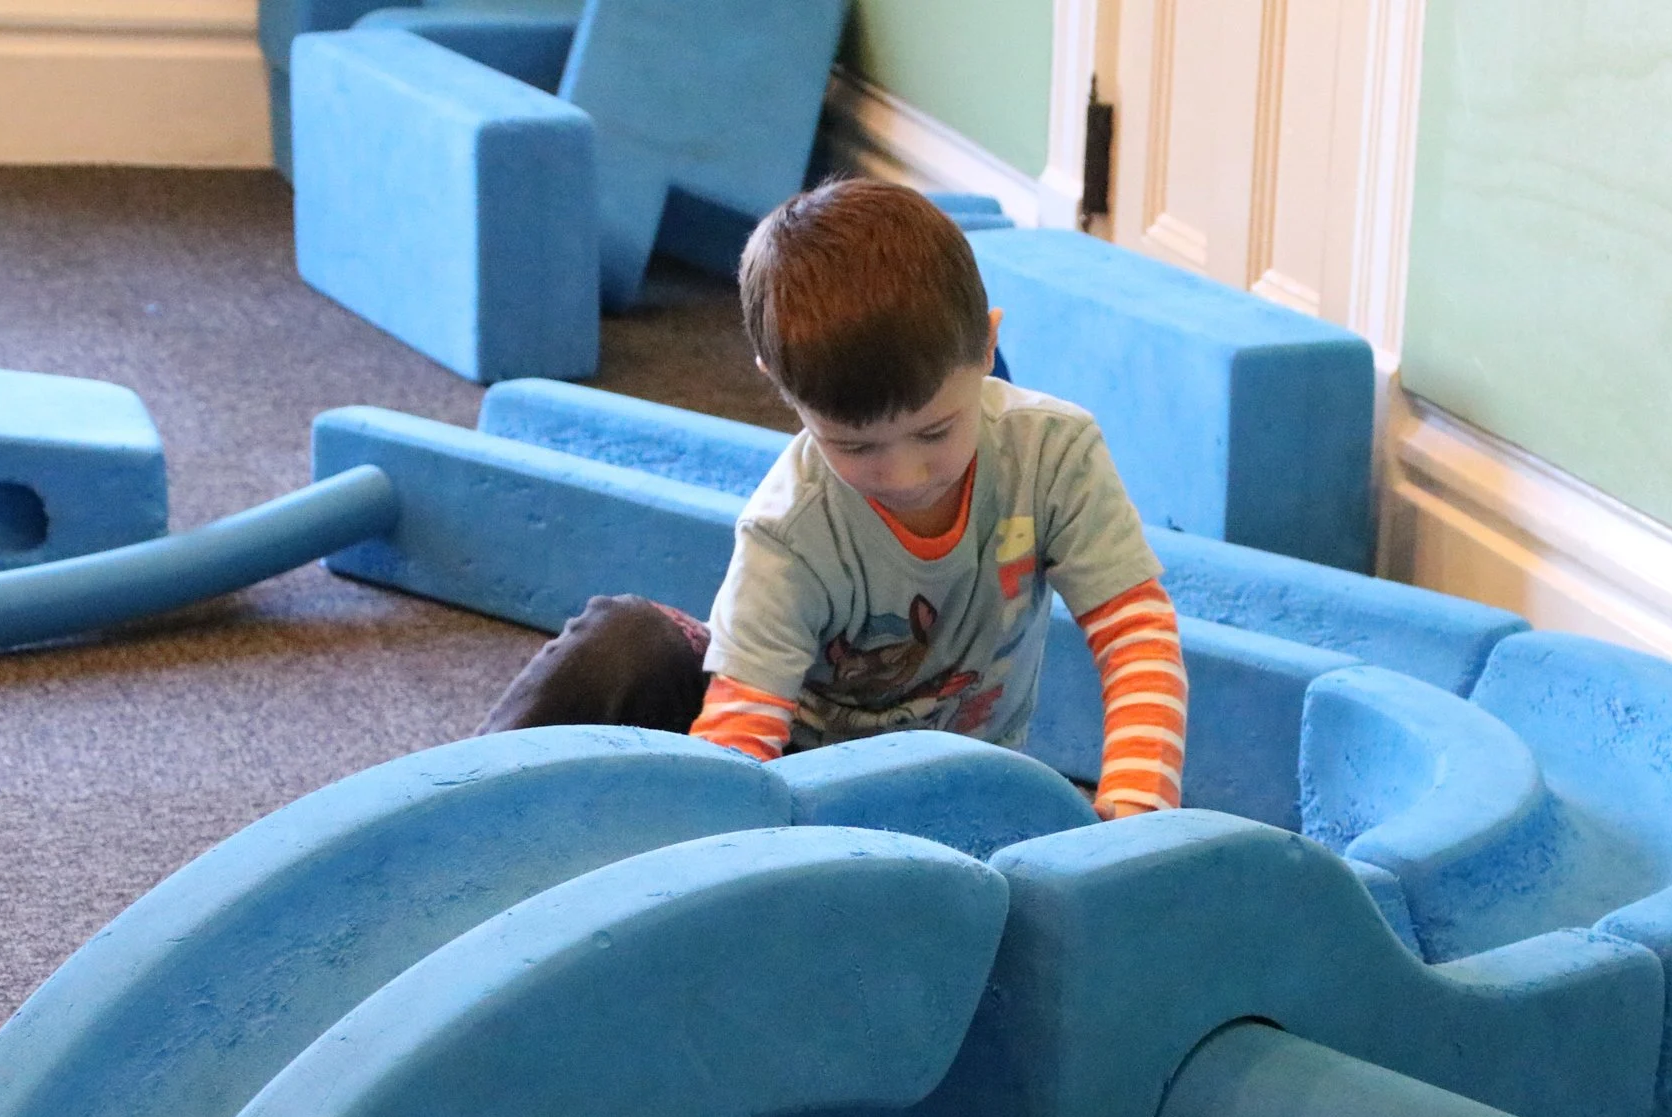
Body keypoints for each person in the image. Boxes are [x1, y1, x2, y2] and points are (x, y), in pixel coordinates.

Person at [483, 178, 1187, 819]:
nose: (906, 473)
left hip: (957, 792)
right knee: (625, 644)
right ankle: (461, 809)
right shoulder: (789, 527)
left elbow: (1137, 633)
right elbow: (740, 737)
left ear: (987, 348)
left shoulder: (1054, 453)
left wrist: (1132, 807)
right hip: (789, 781)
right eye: (856, 447)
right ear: (782, 390)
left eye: (935, 431)